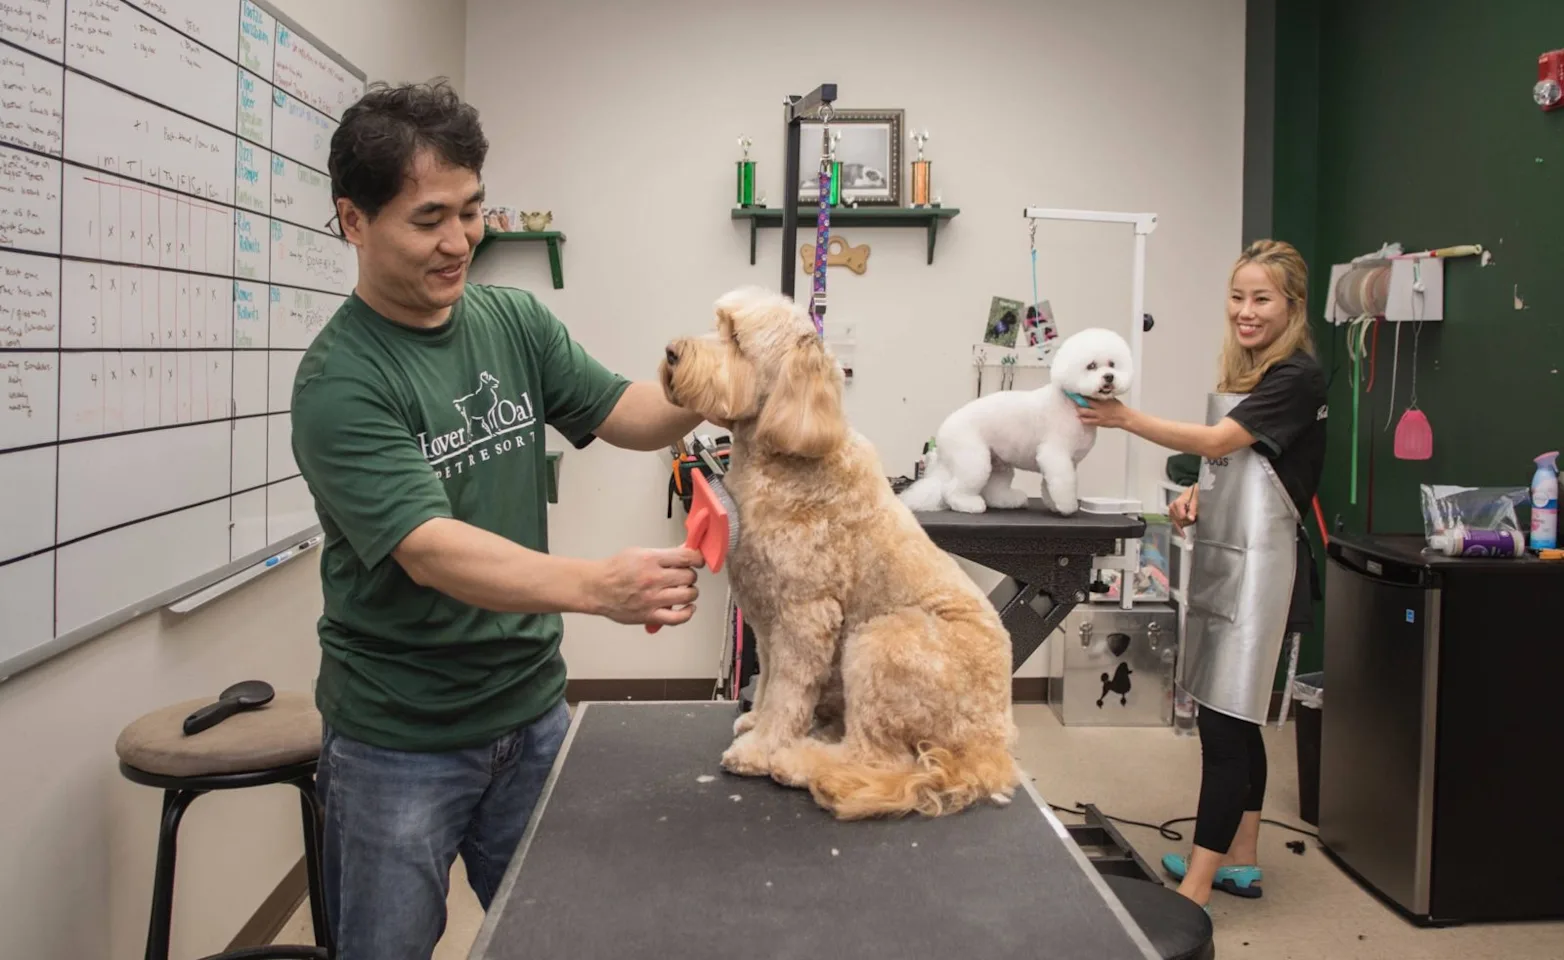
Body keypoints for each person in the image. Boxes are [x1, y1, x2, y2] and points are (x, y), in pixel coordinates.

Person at [289, 79, 707, 959]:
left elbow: (622, 411)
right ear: (353, 222)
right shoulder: (340, 383)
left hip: (530, 712)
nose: (459, 241)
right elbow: (432, 551)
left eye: (474, 210)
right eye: (428, 218)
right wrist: (597, 587)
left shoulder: (510, 317)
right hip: (398, 740)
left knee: (565, 936)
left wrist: (711, 390)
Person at [1076, 239, 1326, 910]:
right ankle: (1239, 858)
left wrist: (1125, 419)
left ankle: (1195, 891)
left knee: (1222, 730)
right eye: (1238, 297)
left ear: (1293, 306)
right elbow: (1247, 467)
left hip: (1263, 577)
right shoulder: (1252, 373)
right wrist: (1199, 498)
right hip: (1225, 562)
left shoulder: (1296, 377)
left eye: (1262, 299)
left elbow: (1218, 444)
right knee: (1238, 724)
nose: (1245, 311)